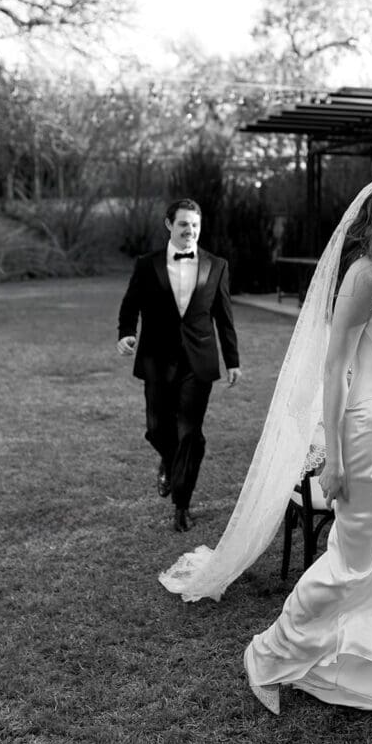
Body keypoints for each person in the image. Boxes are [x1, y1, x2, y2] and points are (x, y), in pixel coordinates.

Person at [158, 173, 372, 744]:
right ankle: (268, 655)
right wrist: (337, 461)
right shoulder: (365, 274)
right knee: (350, 570)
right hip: (369, 446)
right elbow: (335, 369)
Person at [117, 198, 241, 532]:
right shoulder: (147, 265)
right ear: (169, 224)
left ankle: (182, 504)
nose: (190, 231)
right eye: (184, 224)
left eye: (196, 225)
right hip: (156, 360)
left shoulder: (217, 265)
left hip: (197, 362)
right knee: (157, 429)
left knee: (190, 434)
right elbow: (130, 305)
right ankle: (169, 461)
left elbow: (224, 317)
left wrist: (232, 360)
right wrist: (126, 333)